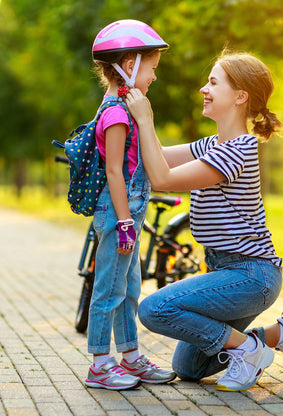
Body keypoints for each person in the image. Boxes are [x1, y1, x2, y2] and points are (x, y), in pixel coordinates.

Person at [125, 49, 283, 391]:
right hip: (226, 271)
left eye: (213, 82)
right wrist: (118, 120)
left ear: (240, 96)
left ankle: (250, 351)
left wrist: (145, 119)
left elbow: (162, 178)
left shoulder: (238, 149)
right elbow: (155, 156)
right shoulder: (212, 144)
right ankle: (281, 333)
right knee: (189, 366)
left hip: (251, 275)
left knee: (154, 309)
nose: (203, 89)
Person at [85, 19, 176, 390]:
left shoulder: (126, 106)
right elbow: (114, 172)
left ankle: (131, 356)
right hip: (118, 213)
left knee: (129, 288)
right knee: (108, 289)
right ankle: (99, 363)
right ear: (130, 64)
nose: (154, 76)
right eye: (152, 68)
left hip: (130, 212)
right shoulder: (117, 113)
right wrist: (124, 222)